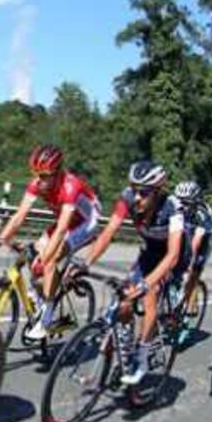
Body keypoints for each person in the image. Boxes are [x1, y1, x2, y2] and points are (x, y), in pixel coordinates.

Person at [79, 160, 184, 385]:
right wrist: (85, 263)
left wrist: (147, 283)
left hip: (172, 256)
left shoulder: (172, 208)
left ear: (157, 192)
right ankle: (126, 343)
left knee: (150, 294)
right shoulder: (128, 198)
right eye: (134, 189)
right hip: (149, 252)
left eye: (143, 192)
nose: (136, 197)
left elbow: (173, 255)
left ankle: (142, 358)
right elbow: (108, 233)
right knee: (124, 300)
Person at [0, 144, 101, 340]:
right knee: (33, 256)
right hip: (67, 220)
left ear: (58, 172)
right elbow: (19, 216)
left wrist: (46, 259)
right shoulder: (37, 183)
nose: (39, 181)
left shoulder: (71, 186)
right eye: (36, 174)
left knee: (50, 260)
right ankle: (42, 294)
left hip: (86, 222)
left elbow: (61, 230)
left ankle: (46, 317)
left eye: (44, 176)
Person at [172, 181, 212, 321]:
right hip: (185, 230)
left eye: (186, 203)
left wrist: (189, 264)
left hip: (204, 236)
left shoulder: (202, 215)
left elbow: (196, 243)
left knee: (194, 268)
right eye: (180, 201)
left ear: (195, 202)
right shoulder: (173, 206)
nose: (182, 206)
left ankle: (190, 298)